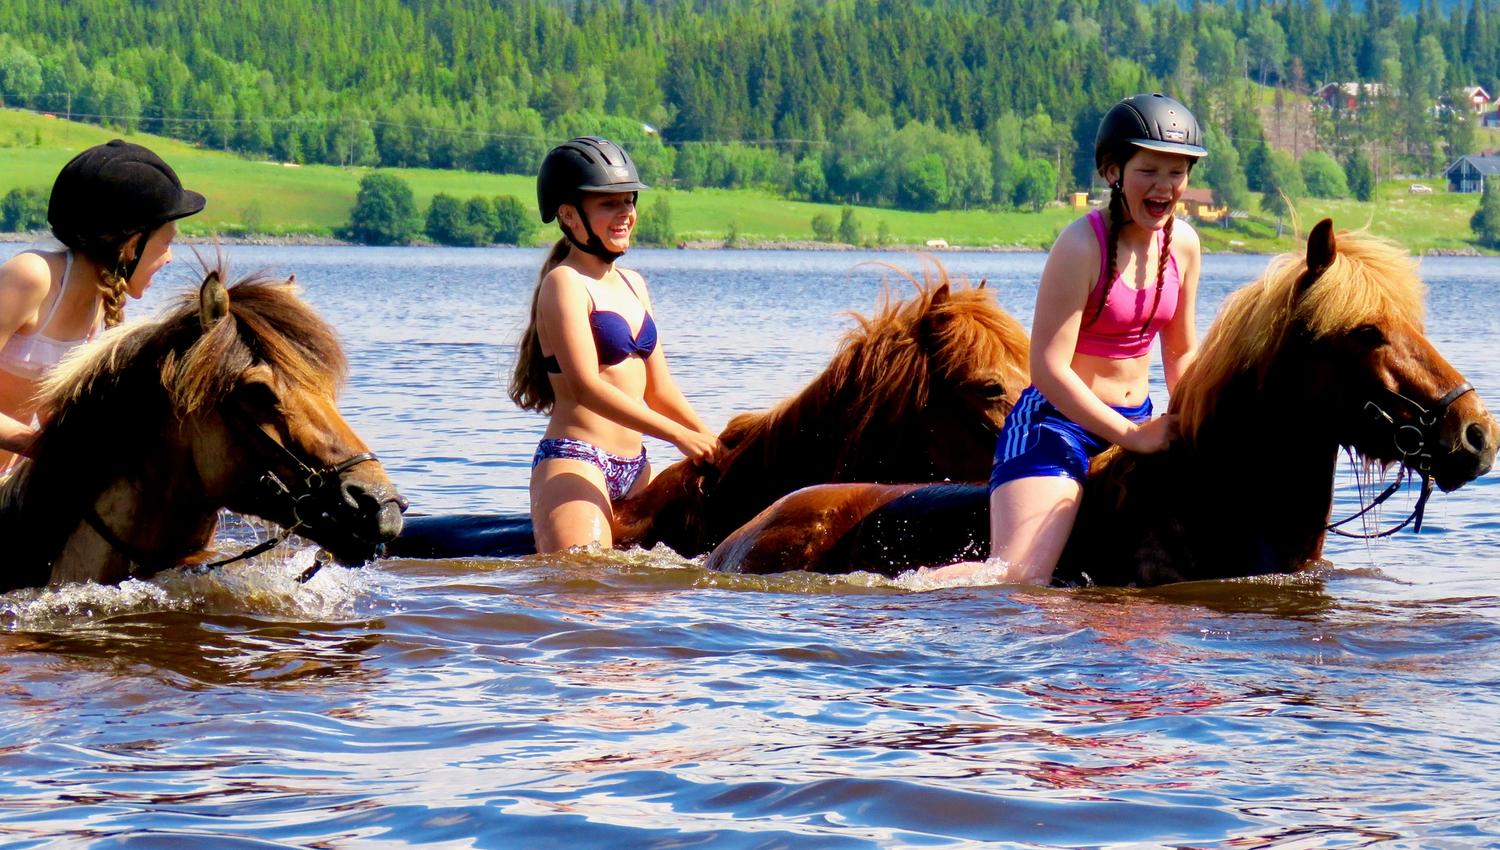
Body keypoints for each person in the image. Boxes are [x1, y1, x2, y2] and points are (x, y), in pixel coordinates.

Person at [935, 93, 1206, 586]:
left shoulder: (1184, 245)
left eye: (1176, 172)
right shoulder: (1081, 246)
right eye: (1148, 170)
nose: (1164, 186)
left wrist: (1192, 421)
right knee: (1018, 575)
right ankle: (906, 600)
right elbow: (1047, 368)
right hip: (1057, 427)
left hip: (1139, 419)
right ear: (1113, 172)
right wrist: (1132, 438)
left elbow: (1181, 351)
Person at [509, 136, 720, 553]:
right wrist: (678, 436)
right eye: (609, 203)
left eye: (629, 201)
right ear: (568, 215)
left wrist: (711, 440)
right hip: (578, 461)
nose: (625, 213)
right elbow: (586, 387)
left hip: (637, 467)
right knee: (587, 582)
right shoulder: (564, 283)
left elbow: (660, 389)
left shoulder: (634, 284)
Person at [0, 139, 204, 471]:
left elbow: (52, 416)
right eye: (166, 243)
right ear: (132, 245)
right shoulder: (31, 276)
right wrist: (42, 448)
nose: (169, 257)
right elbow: (47, 442)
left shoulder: (99, 302)